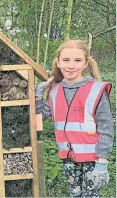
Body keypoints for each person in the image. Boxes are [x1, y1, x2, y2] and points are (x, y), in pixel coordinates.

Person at [35, 39, 114, 197]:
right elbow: (40, 116)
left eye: (77, 60)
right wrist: (38, 94)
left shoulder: (96, 89)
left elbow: (106, 127)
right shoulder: (55, 91)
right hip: (68, 158)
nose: (71, 65)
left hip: (93, 158)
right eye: (66, 60)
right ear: (58, 62)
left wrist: (102, 161)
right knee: (75, 194)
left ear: (85, 64)